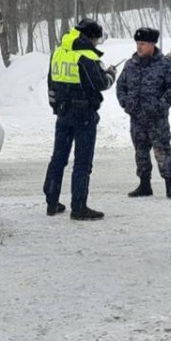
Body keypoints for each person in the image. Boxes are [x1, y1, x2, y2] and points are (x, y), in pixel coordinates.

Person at [42, 18, 117, 220]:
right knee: (82, 163)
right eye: (96, 40)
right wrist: (110, 74)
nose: (96, 44)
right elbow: (100, 83)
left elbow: (51, 84)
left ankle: (51, 202)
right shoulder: (85, 56)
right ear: (90, 37)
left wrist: (56, 107)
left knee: (58, 159)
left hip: (63, 113)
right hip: (84, 115)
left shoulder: (58, 52)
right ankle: (79, 207)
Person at [116, 27, 171, 199]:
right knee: (141, 152)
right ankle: (144, 185)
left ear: (152, 45)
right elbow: (121, 86)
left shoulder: (165, 65)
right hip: (137, 118)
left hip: (156, 118)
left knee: (162, 152)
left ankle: (170, 186)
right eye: (137, 43)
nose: (139, 47)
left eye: (142, 44)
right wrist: (125, 103)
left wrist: (161, 105)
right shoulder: (131, 65)